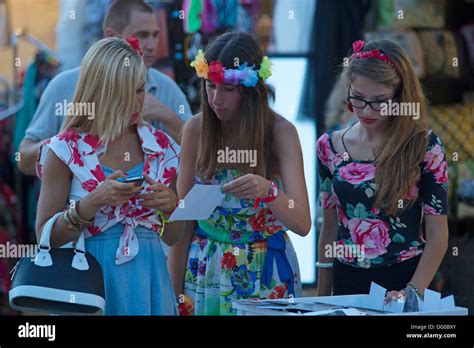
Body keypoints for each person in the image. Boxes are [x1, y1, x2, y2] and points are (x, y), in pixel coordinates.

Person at [35, 37, 184, 315]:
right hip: (88, 284)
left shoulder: (161, 147)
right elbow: (45, 236)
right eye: (125, 92)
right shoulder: (64, 150)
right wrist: (91, 203)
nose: (136, 102)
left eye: (140, 90)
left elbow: (173, 237)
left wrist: (170, 207)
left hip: (150, 285)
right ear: (100, 92)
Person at [168, 32, 311, 315]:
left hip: (264, 267)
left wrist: (268, 191)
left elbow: (303, 222)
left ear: (251, 89)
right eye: (210, 86)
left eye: (228, 90)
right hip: (206, 268)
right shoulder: (196, 130)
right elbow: (183, 223)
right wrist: (174, 297)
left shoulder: (280, 132)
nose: (215, 99)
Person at [316, 40, 449, 304]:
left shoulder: (424, 145)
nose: (366, 110)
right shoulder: (328, 146)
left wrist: (411, 292)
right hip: (347, 281)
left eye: (379, 101)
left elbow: (438, 235)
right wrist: (320, 301)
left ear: (400, 96)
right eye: (358, 98)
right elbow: (329, 229)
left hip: (408, 278)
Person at [19, 0, 191, 177]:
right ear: (111, 35)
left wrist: (167, 116)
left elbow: (200, 157)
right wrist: (68, 140)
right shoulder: (63, 86)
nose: (152, 45)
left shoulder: (166, 88)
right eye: (142, 35)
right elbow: (24, 161)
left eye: (155, 35)